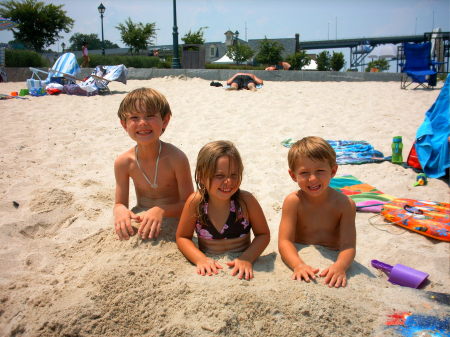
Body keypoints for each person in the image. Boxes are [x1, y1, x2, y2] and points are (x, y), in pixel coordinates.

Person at [176, 140, 270, 280]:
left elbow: (263, 235)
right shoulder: (197, 202)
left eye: (234, 175)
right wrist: (200, 259)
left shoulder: (246, 201)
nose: (228, 182)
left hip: (241, 260)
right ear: (201, 176)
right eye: (219, 176)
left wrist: (247, 258)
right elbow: (183, 237)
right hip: (211, 263)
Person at [114, 87, 194, 240]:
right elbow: (119, 204)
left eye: (150, 116)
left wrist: (161, 210)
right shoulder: (123, 162)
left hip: (174, 220)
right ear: (124, 124)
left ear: (165, 120)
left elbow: (190, 205)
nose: (142, 123)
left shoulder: (176, 158)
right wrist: (120, 211)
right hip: (141, 219)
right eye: (134, 118)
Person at [278, 136, 356, 288]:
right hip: (300, 255)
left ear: (333, 171)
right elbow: (284, 241)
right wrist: (298, 265)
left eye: (320, 171)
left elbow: (348, 246)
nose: (312, 179)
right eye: (304, 173)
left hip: (332, 259)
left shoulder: (345, 204)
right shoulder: (293, 202)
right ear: (293, 175)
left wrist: (340, 266)